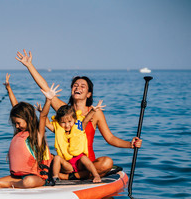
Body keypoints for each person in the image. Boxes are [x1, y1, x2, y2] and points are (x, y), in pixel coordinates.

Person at [16, 49, 142, 179]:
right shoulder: (63, 109)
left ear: (88, 94)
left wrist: (130, 144)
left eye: (83, 86)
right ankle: (65, 174)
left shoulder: (95, 113)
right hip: (66, 162)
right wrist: (29, 65)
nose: (78, 87)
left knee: (107, 163)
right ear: (71, 90)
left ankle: (69, 177)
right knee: (49, 157)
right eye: (75, 85)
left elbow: (110, 138)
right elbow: (46, 88)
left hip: (86, 163)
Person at [41, 101, 105, 183]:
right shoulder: (58, 130)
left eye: (69, 122)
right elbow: (46, 123)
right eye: (63, 122)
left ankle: (96, 175)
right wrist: (43, 111)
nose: (67, 125)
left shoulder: (79, 127)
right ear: (59, 122)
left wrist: (93, 110)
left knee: (84, 158)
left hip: (80, 163)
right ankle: (55, 177)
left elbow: (86, 119)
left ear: (74, 120)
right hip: (67, 165)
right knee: (57, 158)